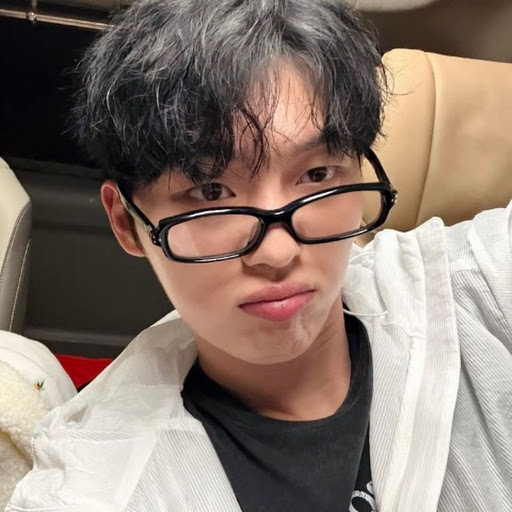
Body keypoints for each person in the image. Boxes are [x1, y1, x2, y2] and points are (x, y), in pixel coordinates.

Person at [6, 0, 512, 510]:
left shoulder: (480, 290)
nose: (277, 250)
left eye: (317, 175)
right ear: (126, 223)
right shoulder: (89, 490)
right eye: (210, 192)